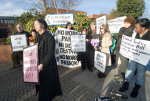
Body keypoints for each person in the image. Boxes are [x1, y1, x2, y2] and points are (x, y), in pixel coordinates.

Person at [119, 18, 150, 98]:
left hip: (143, 60)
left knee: (140, 74)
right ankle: (126, 85)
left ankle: (136, 89)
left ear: (143, 28)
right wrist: (124, 46)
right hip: (133, 56)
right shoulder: (135, 33)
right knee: (129, 70)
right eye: (135, 27)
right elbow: (130, 43)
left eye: (137, 28)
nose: (135, 29)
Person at [34, 18, 62, 101]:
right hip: (40, 64)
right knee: (43, 84)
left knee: (47, 86)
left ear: (42, 25)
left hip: (48, 66)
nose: (34, 26)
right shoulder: (37, 37)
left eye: (36, 24)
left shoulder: (49, 37)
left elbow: (50, 53)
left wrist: (42, 63)